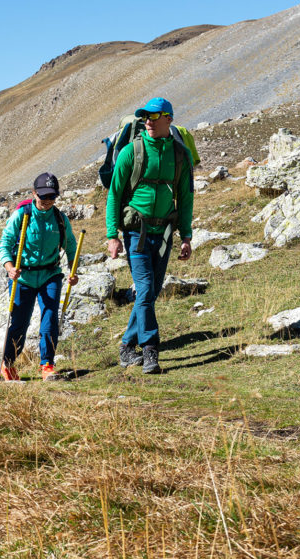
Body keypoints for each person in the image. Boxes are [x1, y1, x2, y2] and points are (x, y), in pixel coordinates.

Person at [106, 97, 194, 374]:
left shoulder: (180, 154)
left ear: (169, 119)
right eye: (146, 117)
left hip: (165, 234)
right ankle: (150, 350)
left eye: (155, 117)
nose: (148, 122)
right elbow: (114, 195)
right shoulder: (130, 152)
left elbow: (186, 197)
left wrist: (187, 236)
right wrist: (112, 235)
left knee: (151, 293)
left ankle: (125, 346)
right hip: (136, 233)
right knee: (144, 290)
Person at [0, 172, 79, 381]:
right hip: (22, 276)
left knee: (50, 318)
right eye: (43, 196)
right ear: (34, 193)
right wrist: (9, 266)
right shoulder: (22, 215)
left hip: (50, 274)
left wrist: (73, 270)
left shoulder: (59, 218)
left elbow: (71, 245)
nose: (47, 201)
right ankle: (7, 365)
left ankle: (47, 366)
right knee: (19, 322)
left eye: (52, 196)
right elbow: (5, 243)